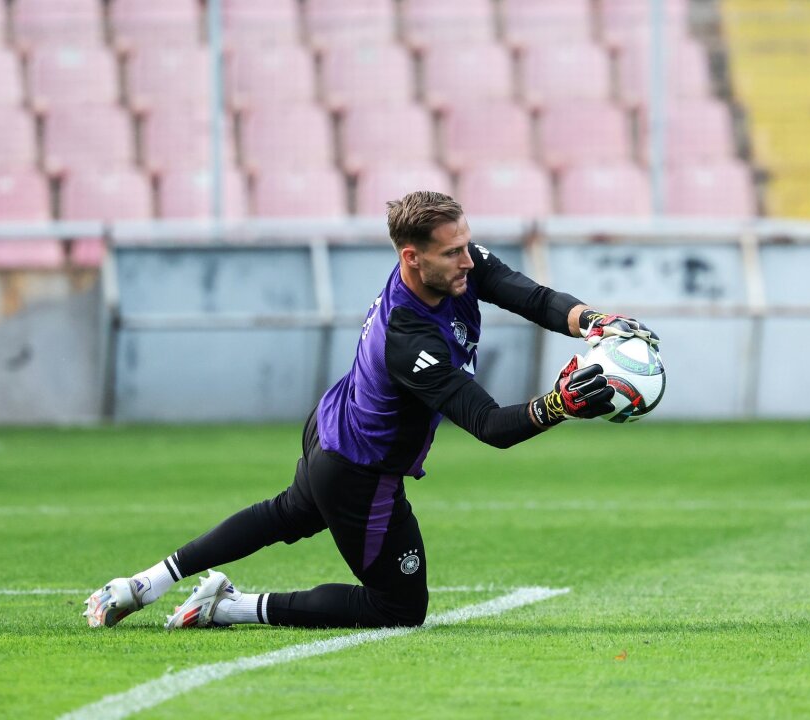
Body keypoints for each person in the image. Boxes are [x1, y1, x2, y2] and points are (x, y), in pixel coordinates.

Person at [83, 191, 658, 630]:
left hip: (335, 426)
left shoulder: (450, 268)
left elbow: (527, 295)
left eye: (466, 245)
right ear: (412, 257)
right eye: (453, 252)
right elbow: (489, 426)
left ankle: (146, 583)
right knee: (400, 607)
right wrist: (559, 404)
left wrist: (592, 321)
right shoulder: (409, 338)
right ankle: (233, 610)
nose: (468, 261)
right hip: (361, 470)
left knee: (285, 514)